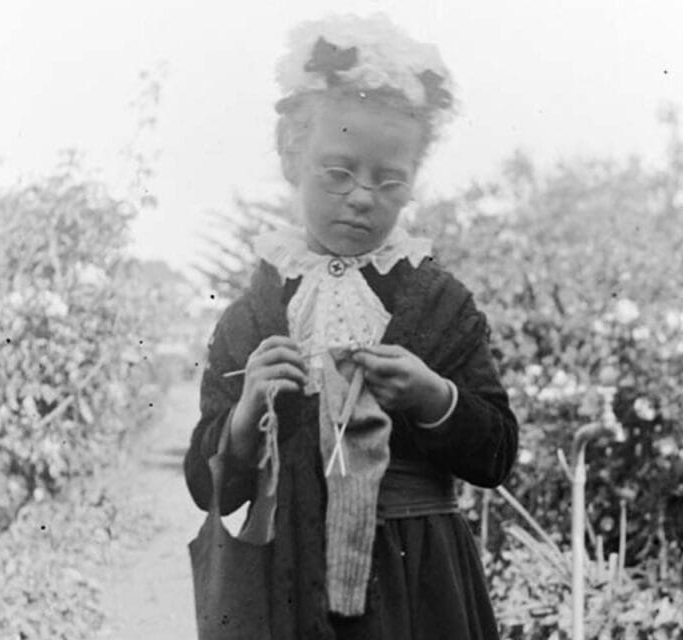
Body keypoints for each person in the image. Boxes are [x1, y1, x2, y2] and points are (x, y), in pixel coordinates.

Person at [184, 14, 519, 640]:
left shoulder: (439, 302)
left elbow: (497, 451)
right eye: (338, 172)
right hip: (288, 577)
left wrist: (433, 397)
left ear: (412, 180)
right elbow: (211, 491)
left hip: (416, 579)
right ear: (292, 157)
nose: (363, 196)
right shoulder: (253, 314)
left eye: (389, 179)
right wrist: (246, 410)